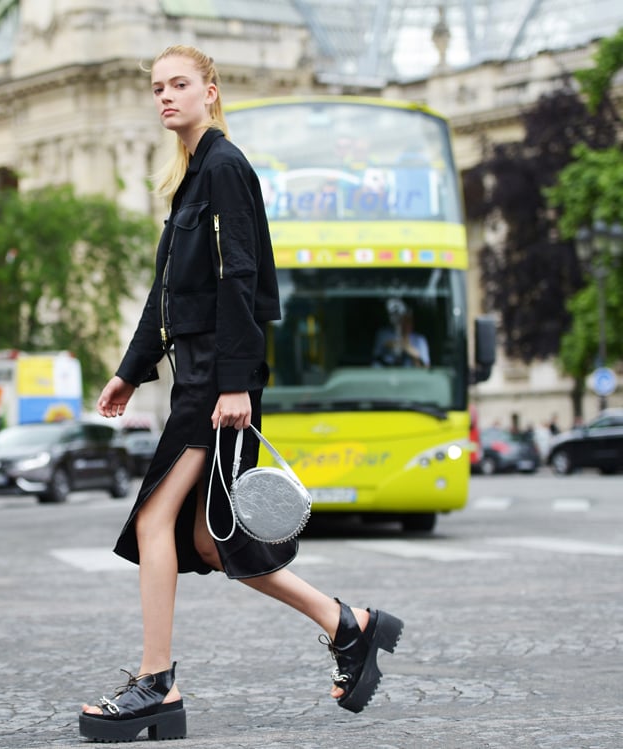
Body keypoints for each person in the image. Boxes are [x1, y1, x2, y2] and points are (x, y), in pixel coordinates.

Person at [78, 45, 404, 743]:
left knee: (154, 519)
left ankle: (156, 682)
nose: (166, 97)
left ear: (211, 92)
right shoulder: (191, 178)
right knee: (211, 539)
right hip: (196, 375)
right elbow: (168, 293)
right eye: (157, 88)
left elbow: (242, 279)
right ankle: (349, 625)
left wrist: (233, 382)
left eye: (179, 84)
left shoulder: (225, 167)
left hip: (214, 382)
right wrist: (131, 369)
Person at [373, 298, 430, 368]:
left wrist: (412, 352)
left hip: (409, 373)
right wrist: (403, 346)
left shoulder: (420, 340)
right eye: (403, 320)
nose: (407, 324)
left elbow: (426, 367)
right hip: (385, 372)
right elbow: (386, 346)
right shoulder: (384, 334)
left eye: (409, 321)